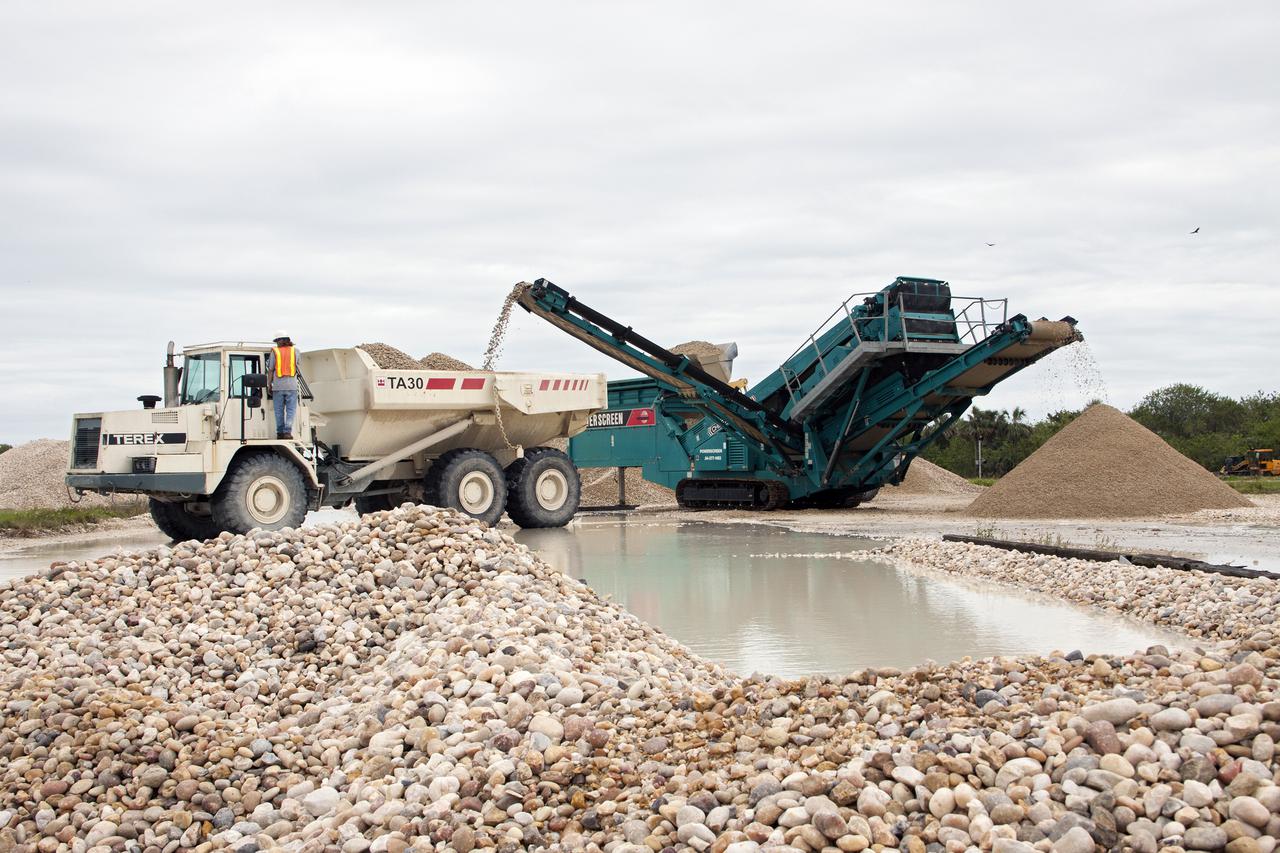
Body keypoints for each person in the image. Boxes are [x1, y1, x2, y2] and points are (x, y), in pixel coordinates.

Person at [264, 331, 300, 439]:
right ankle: (287, 432)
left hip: (278, 386)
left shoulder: (275, 352)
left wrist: (269, 384)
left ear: (278, 341)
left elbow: (270, 370)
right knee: (291, 410)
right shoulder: (296, 351)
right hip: (292, 386)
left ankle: (280, 433)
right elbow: (297, 365)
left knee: (278, 410)